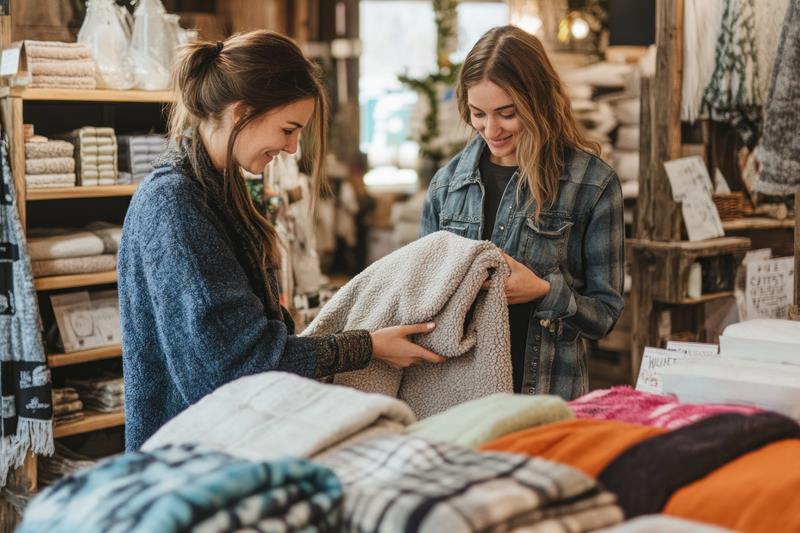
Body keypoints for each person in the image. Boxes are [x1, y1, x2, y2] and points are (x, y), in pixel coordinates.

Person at [118, 31, 444, 451]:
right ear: (241, 113)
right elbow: (238, 366)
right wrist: (365, 346)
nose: (292, 148)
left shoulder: (217, 188)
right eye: (288, 129)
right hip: (185, 465)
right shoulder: (176, 206)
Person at [419, 25, 624, 399]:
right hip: (458, 401)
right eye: (478, 114)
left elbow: (605, 316)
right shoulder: (446, 187)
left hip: (546, 397)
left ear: (538, 102)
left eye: (507, 114)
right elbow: (422, 299)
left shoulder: (592, 185)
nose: (490, 129)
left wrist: (545, 292)